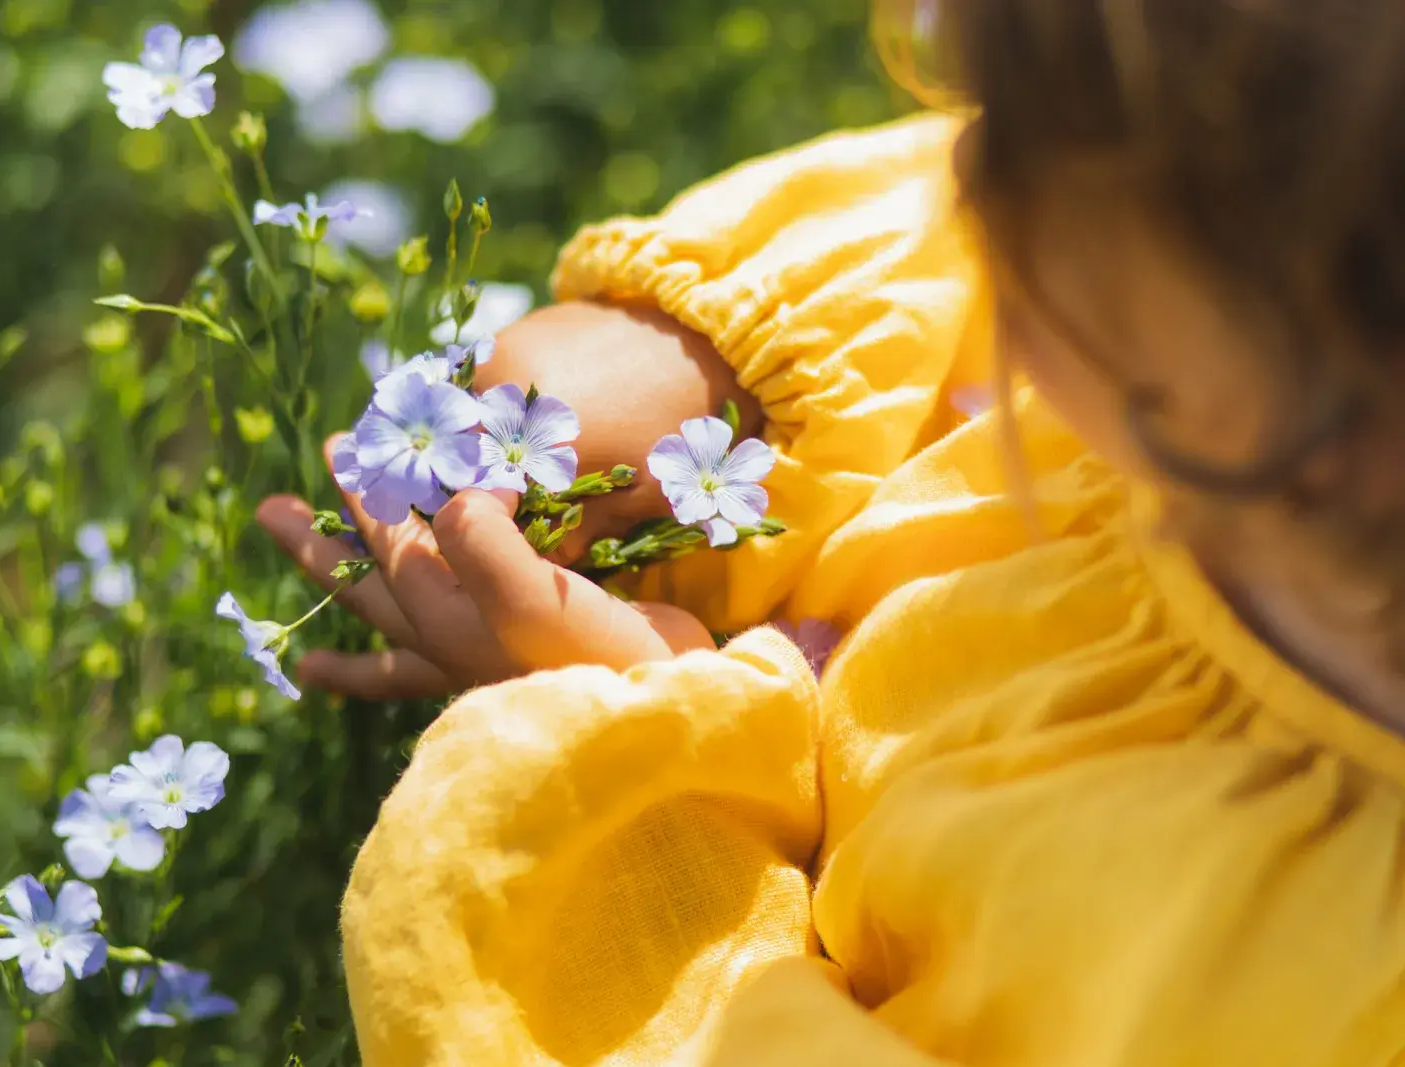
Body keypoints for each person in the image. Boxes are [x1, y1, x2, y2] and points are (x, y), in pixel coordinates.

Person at [256, 0, 1405, 1062]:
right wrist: (710, 363)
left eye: (1022, 156)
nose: (958, 173)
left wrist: (628, 771)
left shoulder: (1263, 988)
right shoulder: (1243, 331)